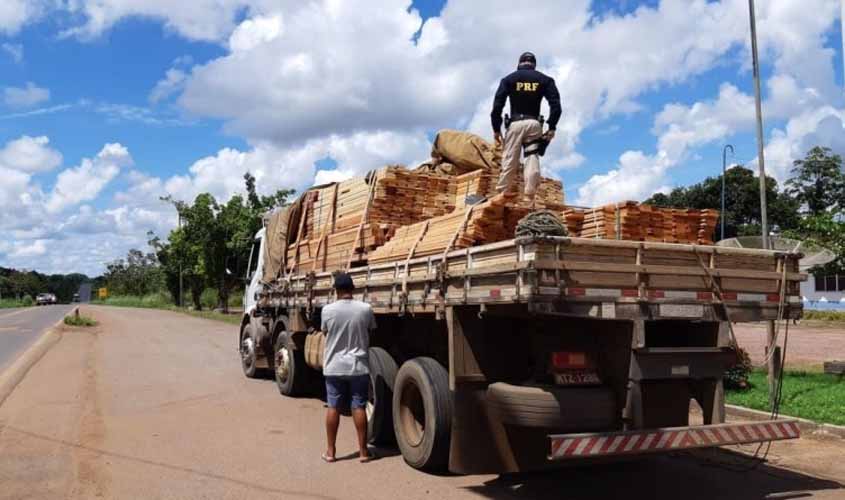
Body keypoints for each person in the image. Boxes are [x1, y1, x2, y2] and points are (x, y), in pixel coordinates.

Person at [490, 52, 562, 206]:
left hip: (515, 124)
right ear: (534, 64)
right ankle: (529, 196)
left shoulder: (509, 79)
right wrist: (552, 127)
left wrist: (496, 129)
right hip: (534, 124)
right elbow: (556, 106)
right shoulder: (545, 80)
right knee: (531, 157)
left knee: (510, 158)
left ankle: (502, 194)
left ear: (519, 63)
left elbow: (497, 106)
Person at [321, 272, 376, 463]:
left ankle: (331, 452)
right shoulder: (365, 309)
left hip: (334, 367)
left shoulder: (327, 310)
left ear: (336, 290)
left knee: (333, 406)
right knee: (358, 406)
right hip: (358, 366)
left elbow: (325, 332)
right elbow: (371, 329)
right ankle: (363, 452)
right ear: (353, 289)